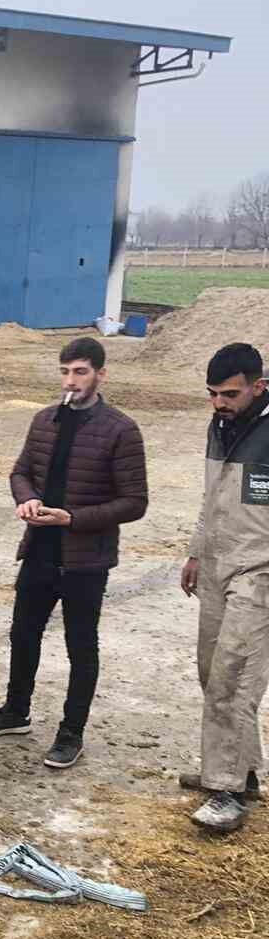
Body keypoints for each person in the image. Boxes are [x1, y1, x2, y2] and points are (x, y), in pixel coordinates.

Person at [0, 336, 148, 769]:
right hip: (39, 550)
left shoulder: (121, 429)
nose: (71, 380)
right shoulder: (43, 420)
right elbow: (20, 472)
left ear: (101, 374)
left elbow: (135, 502)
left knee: (80, 646)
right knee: (23, 633)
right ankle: (16, 711)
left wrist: (73, 519)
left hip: (86, 559)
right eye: (65, 371)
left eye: (81, 371)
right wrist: (26, 499)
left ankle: (71, 733)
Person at [178, 343, 269, 833]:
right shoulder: (221, 425)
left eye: (229, 393)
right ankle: (241, 770)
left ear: (259, 386)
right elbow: (211, 496)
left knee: (235, 676)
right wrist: (196, 551)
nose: (218, 402)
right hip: (217, 565)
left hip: (260, 571)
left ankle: (227, 791)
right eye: (212, 394)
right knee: (212, 670)